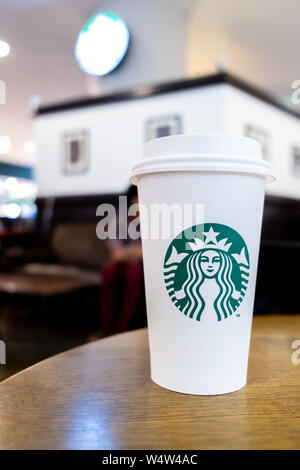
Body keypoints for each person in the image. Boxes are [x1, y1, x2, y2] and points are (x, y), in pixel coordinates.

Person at [99, 185, 144, 335]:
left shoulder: (155, 220)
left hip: (141, 266)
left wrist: (129, 252)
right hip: (124, 263)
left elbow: (148, 254)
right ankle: (105, 329)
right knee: (108, 271)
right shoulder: (120, 220)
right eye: (137, 198)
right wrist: (134, 251)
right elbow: (116, 255)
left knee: (134, 274)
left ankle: (122, 330)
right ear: (131, 200)